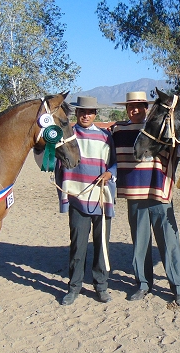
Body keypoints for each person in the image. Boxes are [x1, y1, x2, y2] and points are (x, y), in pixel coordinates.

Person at [111, 91, 180, 307]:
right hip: (135, 195)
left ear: (146, 107)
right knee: (140, 243)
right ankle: (143, 284)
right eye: (130, 106)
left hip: (159, 193)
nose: (134, 110)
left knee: (169, 242)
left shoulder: (160, 127)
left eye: (138, 106)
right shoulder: (119, 130)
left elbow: (179, 148)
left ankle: (178, 288)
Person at [42, 96, 117, 306]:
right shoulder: (66, 135)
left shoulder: (105, 137)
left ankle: (101, 286)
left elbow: (115, 163)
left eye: (90, 112)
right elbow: (50, 156)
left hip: (101, 199)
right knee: (78, 246)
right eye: (82, 112)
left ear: (95, 114)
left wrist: (110, 174)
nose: (86, 115)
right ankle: (74, 287)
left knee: (102, 245)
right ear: (76, 114)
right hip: (77, 198)